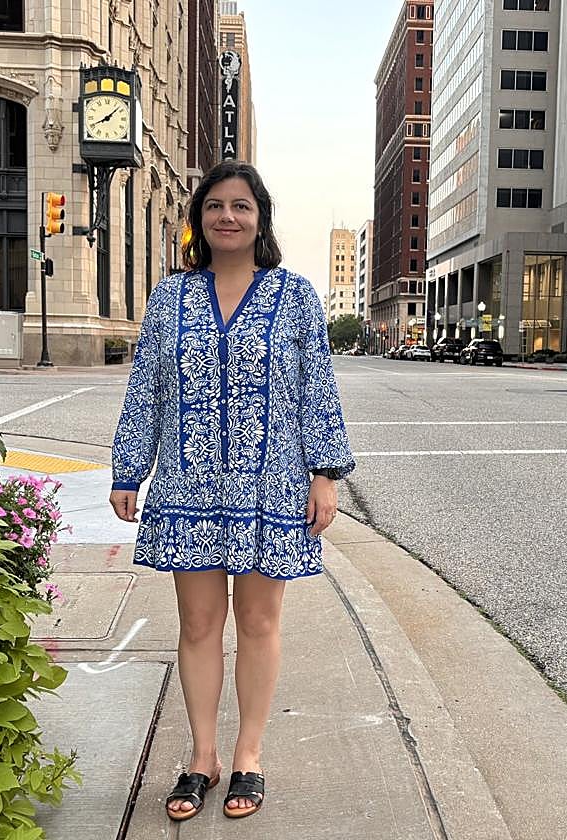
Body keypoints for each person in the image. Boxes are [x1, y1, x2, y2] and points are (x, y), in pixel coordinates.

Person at [109, 160, 355, 821]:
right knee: (196, 625)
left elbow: (316, 387)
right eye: (215, 205)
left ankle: (248, 754)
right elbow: (146, 388)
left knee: (259, 622)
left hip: (269, 486)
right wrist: (129, 469)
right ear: (199, 219)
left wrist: (324, 473)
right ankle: (201, 756)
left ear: (260, 219)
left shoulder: (296, 295)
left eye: (241, 206)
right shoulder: (171, 298)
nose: (227, 216)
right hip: (188, 484)